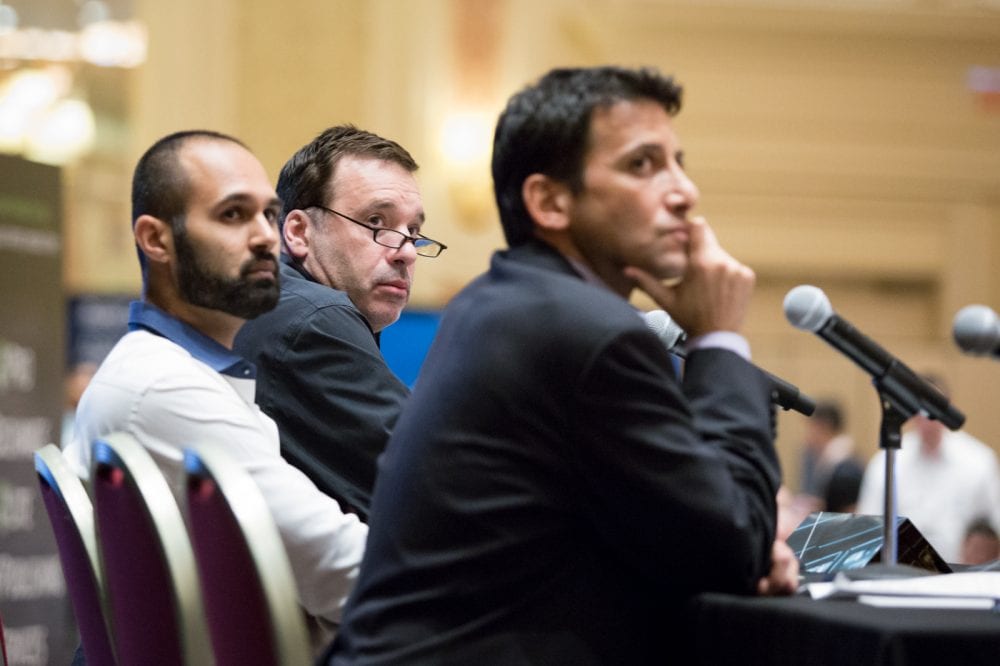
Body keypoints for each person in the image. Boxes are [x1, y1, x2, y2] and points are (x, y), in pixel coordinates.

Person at [324, 66, 796, 665]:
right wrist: (719, 342)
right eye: (642, 165)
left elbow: (655, 536)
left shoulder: (495, 302)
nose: (683, 192)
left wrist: (729, 542)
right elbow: (729, 549)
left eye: (679, 161)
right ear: (549, 201)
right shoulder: (588, 332)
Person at [63, 130, 367, 647]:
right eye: (232, 215)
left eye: (269, 214)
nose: (265, 237)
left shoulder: (166, 370)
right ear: (156, 239)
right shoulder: (165, 389)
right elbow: (346, 573)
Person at [233, 125, 445, 519]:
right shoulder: (314, 321)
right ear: (298, 232)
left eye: (413, 231)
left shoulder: (271, 301)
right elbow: (439, 477)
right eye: (377, 222)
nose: (407, 253)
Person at [857, 374, 1000, 564]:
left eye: (935, 409)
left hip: (962, 574)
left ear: (948, 408)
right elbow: (866, 526)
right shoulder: (886, 462)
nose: (928, 419)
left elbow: (995, 525)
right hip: (901, 572)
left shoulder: (979, 461)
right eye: (922, 410)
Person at [798, 400, 862, 513]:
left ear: (822, 426)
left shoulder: (846, 470)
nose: (806, 436)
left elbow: (849, 515)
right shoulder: (828, 460)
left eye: (810, 428)